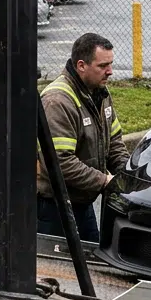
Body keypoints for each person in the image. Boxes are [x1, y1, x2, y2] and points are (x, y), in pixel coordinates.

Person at [36, 33, 127, 242]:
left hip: (82, 203)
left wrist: (126, 176)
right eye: (103, 65)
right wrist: (104, 181)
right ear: (81, 65)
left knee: (92, 264)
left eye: (111, 64)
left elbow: (114, 143)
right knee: (55, 270)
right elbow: (59, 162)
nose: (110, 72)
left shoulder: (100, 93)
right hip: (54, 209)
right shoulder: (58, 101)